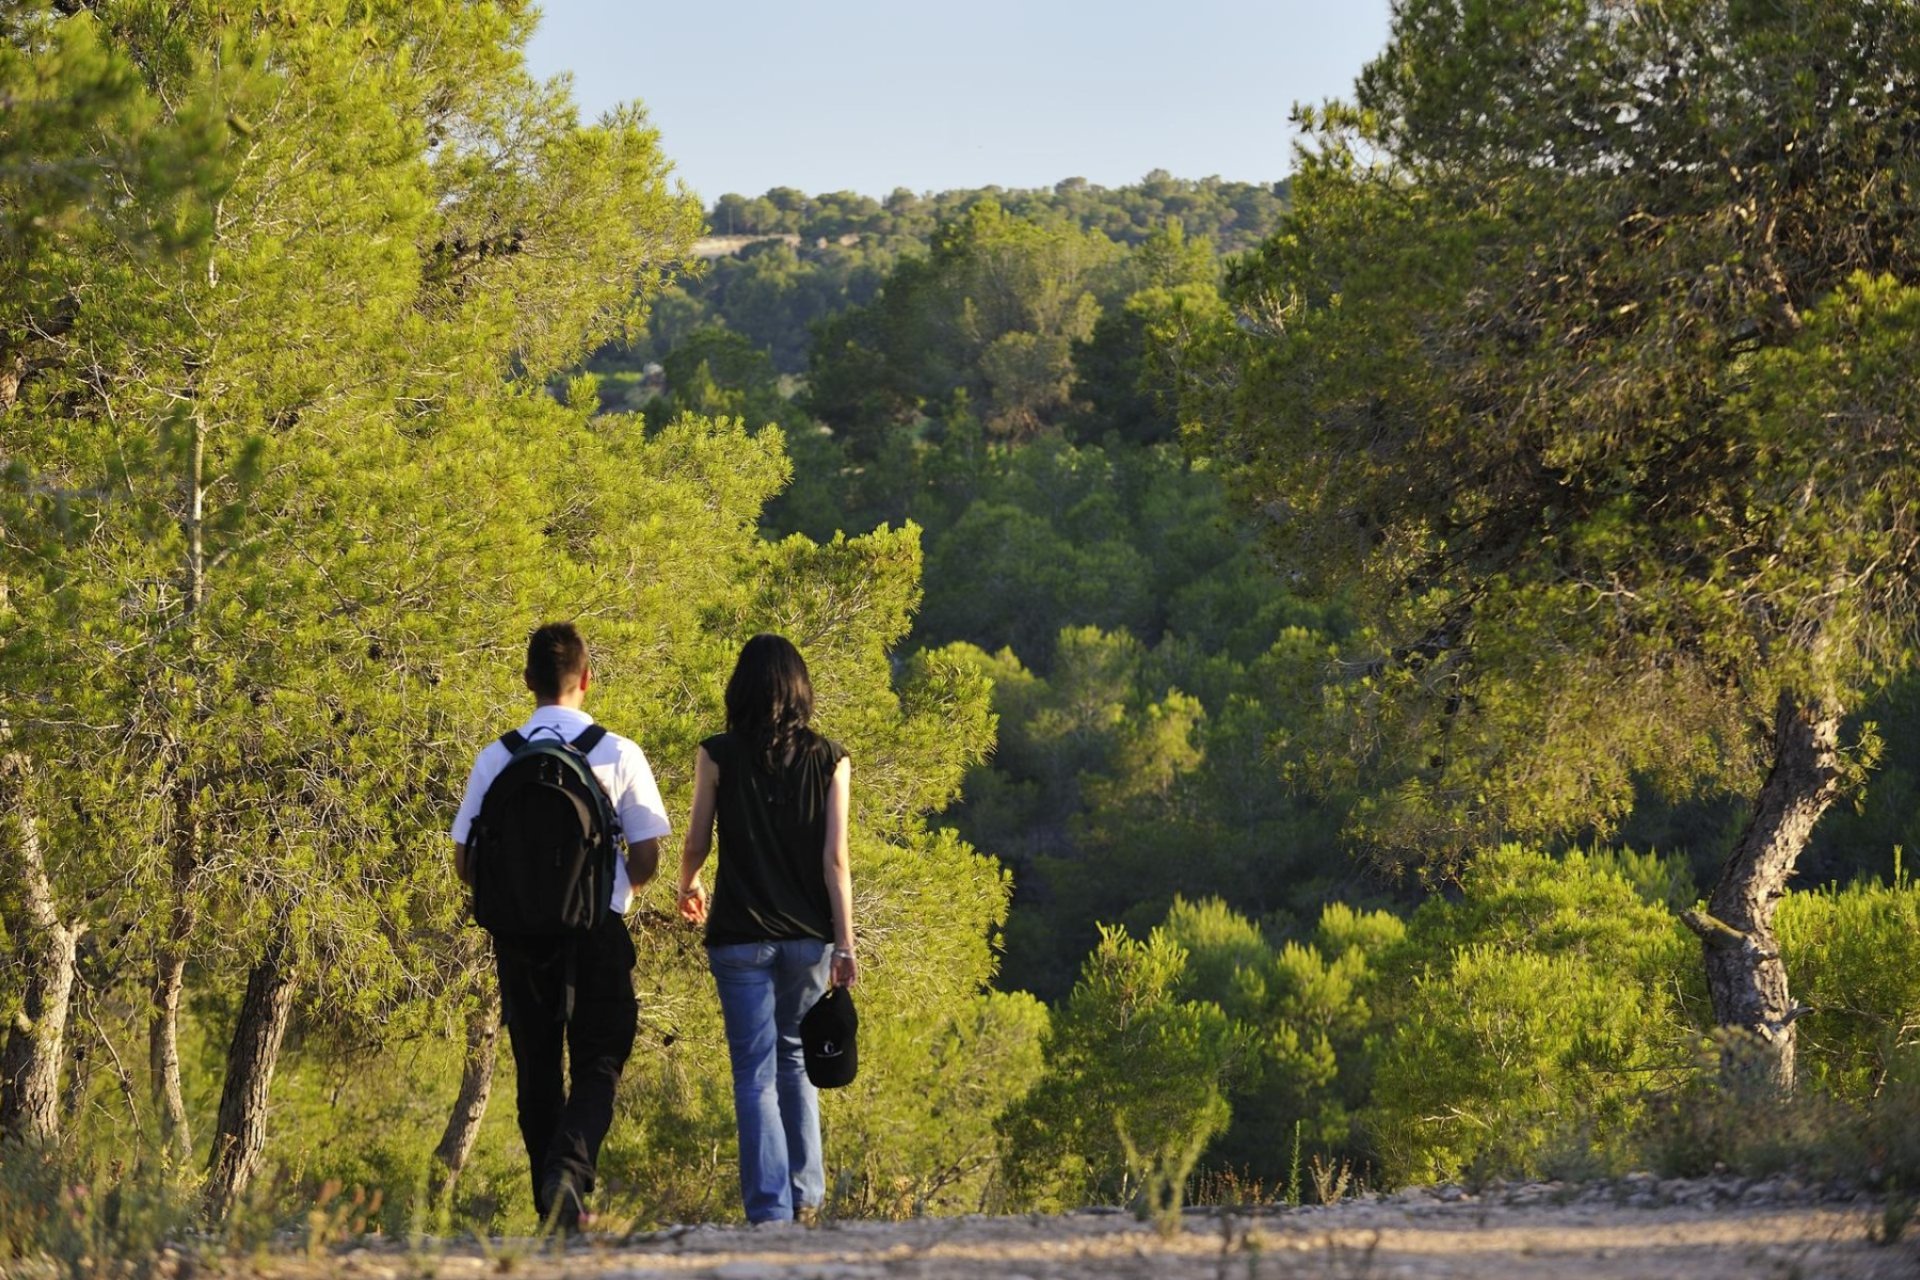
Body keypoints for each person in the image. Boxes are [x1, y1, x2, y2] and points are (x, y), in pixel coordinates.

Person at [451, 622, 671, 1230]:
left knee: (537, 1063)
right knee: (601, 1057)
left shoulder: (498, 756)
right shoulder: (618, 751)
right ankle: (569, 1176)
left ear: (527, 682)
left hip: (519, 936)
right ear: (587, 679)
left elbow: (466, 862)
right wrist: (615, 885)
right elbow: (649, 854)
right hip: (598, 926)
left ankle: (553, 1207)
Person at [675, 634, 857, 1225]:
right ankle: (806, 1196)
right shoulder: (831, 759)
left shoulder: (718, 754)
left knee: (753, 1073)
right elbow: (837, 862)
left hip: (739, 936)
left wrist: (689, 882)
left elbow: (697, 840)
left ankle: (769, 1212)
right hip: (808, 937)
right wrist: (847, 943)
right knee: (795, 1060)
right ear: (801, 689)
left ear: (741, 689)